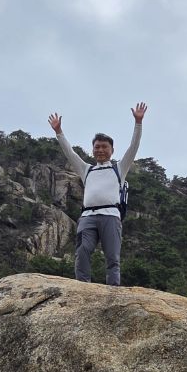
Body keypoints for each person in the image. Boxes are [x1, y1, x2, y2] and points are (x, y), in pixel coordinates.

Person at [48, 103, 147, 286]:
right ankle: (82, 286)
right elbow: (70, 153)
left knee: (112, 257)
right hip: (88, 216)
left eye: (104, 147)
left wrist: (138, 122)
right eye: (97, 147)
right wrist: (59, 132)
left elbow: (134, 146)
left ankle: (113, 290)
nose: (100, 150)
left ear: (112, 150)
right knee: (82, 251)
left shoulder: (119, 169)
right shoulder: (87, 169)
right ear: (92, 149)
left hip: (111, 216)